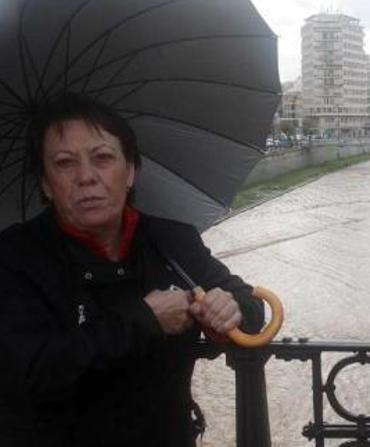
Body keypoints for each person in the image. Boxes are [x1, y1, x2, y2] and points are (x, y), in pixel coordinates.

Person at [0, 94, 264, 447]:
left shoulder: (172, 241)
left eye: (103, 158)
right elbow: (28, 369)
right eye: (64, 163)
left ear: (130, 170)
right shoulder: (15, 256)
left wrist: (228, 310)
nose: (86, 177)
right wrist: (144, 320)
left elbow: (252, 311)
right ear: (46, 184)